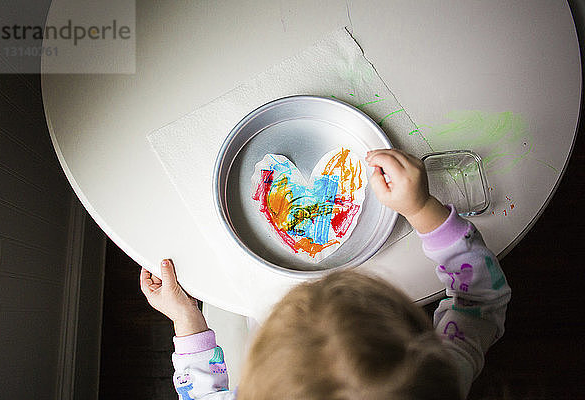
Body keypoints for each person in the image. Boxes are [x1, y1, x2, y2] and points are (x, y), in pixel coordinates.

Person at [140, 149, 511, 400]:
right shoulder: (435, 378)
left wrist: (186, 319)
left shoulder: (433, 376)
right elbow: (480, 299)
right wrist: (422, 209)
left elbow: (203, 393)